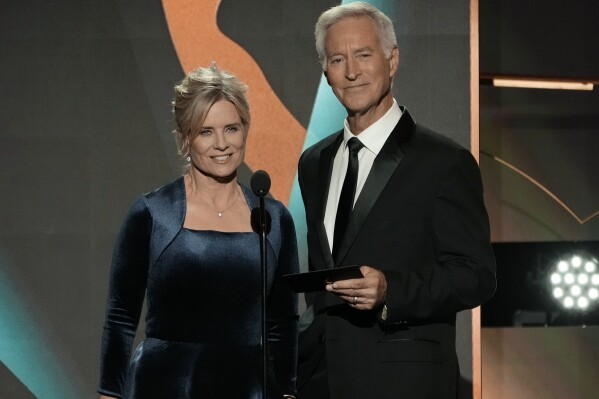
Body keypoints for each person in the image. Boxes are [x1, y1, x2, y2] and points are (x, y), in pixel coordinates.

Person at [296, 3, 497, 398]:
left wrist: (391, 290)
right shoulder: (314, 162)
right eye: (338, 59)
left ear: (393, 60)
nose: (351, 71)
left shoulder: (444, 161)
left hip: (407, 382)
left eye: (364, 55)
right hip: (324, 381)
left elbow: (476, 276)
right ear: (326, 72)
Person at [98, 63, 299, 399]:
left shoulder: (273, 218)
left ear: (245, 130)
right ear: (185, 137)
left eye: (231, 128)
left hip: (247, 389)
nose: (222, 143)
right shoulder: (152, 213)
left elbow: (282, 323)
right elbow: (121, 317)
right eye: (206, 131)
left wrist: (287, 392)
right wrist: (109, 394)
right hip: (162, 387)